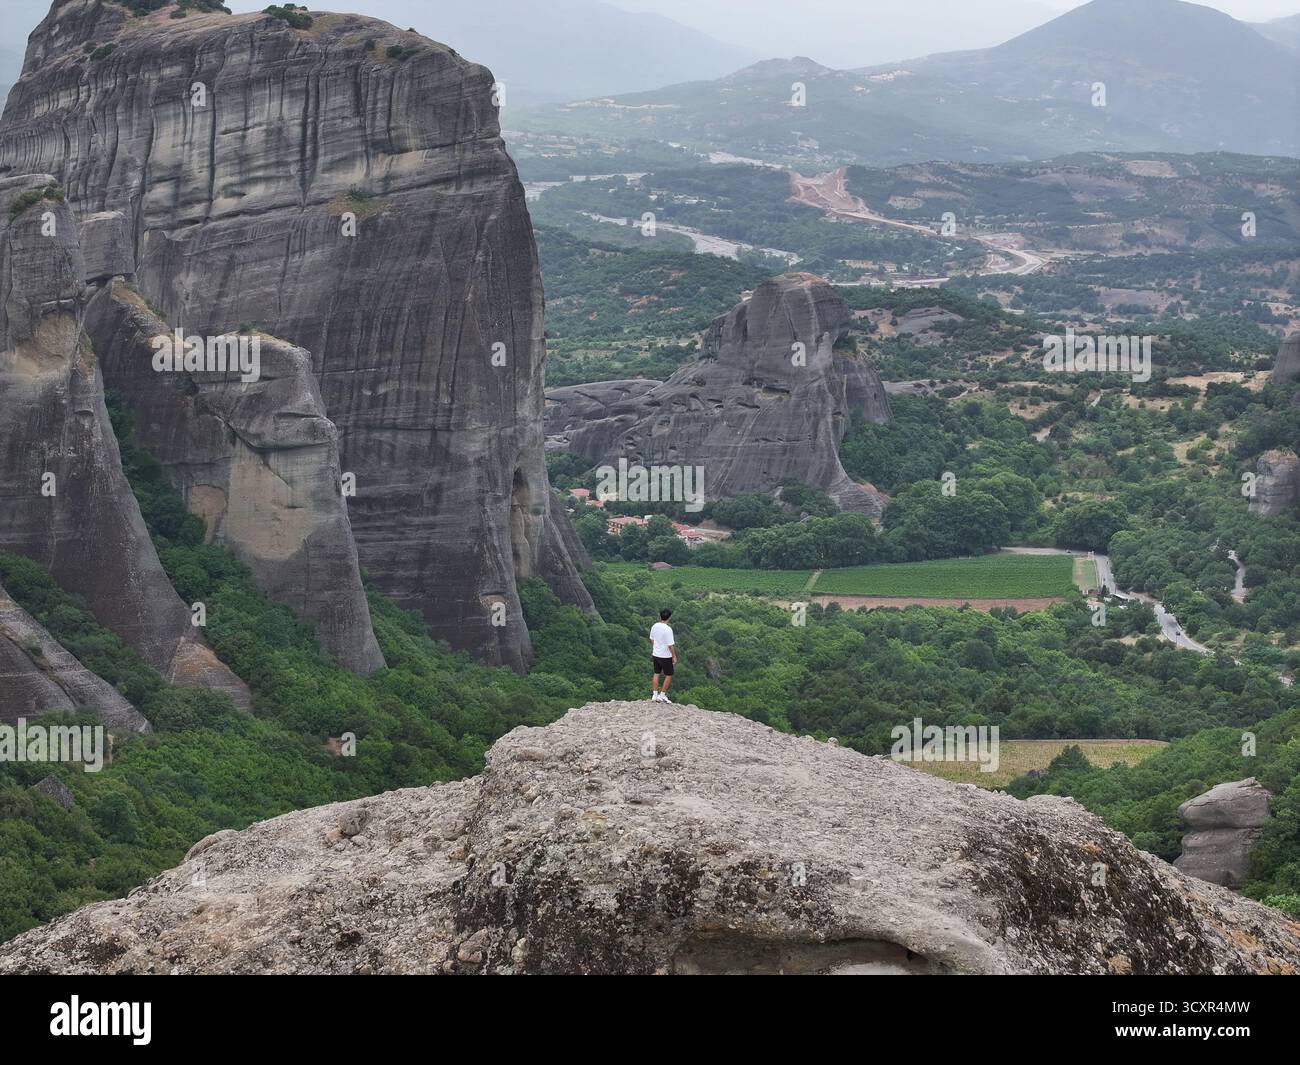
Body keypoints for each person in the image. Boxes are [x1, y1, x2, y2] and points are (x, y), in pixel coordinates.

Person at [649, 608, 676, 703]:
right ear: (669, 618)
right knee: (669, 675)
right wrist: (674, 656)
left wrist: (656, 647)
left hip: (656, 654)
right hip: (665, 656)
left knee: (656, 673)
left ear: (660, 616)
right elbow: (670, 645)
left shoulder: (654, 626)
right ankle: (662, 695)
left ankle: (654, 695)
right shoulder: (668, 629)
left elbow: (652, 639)